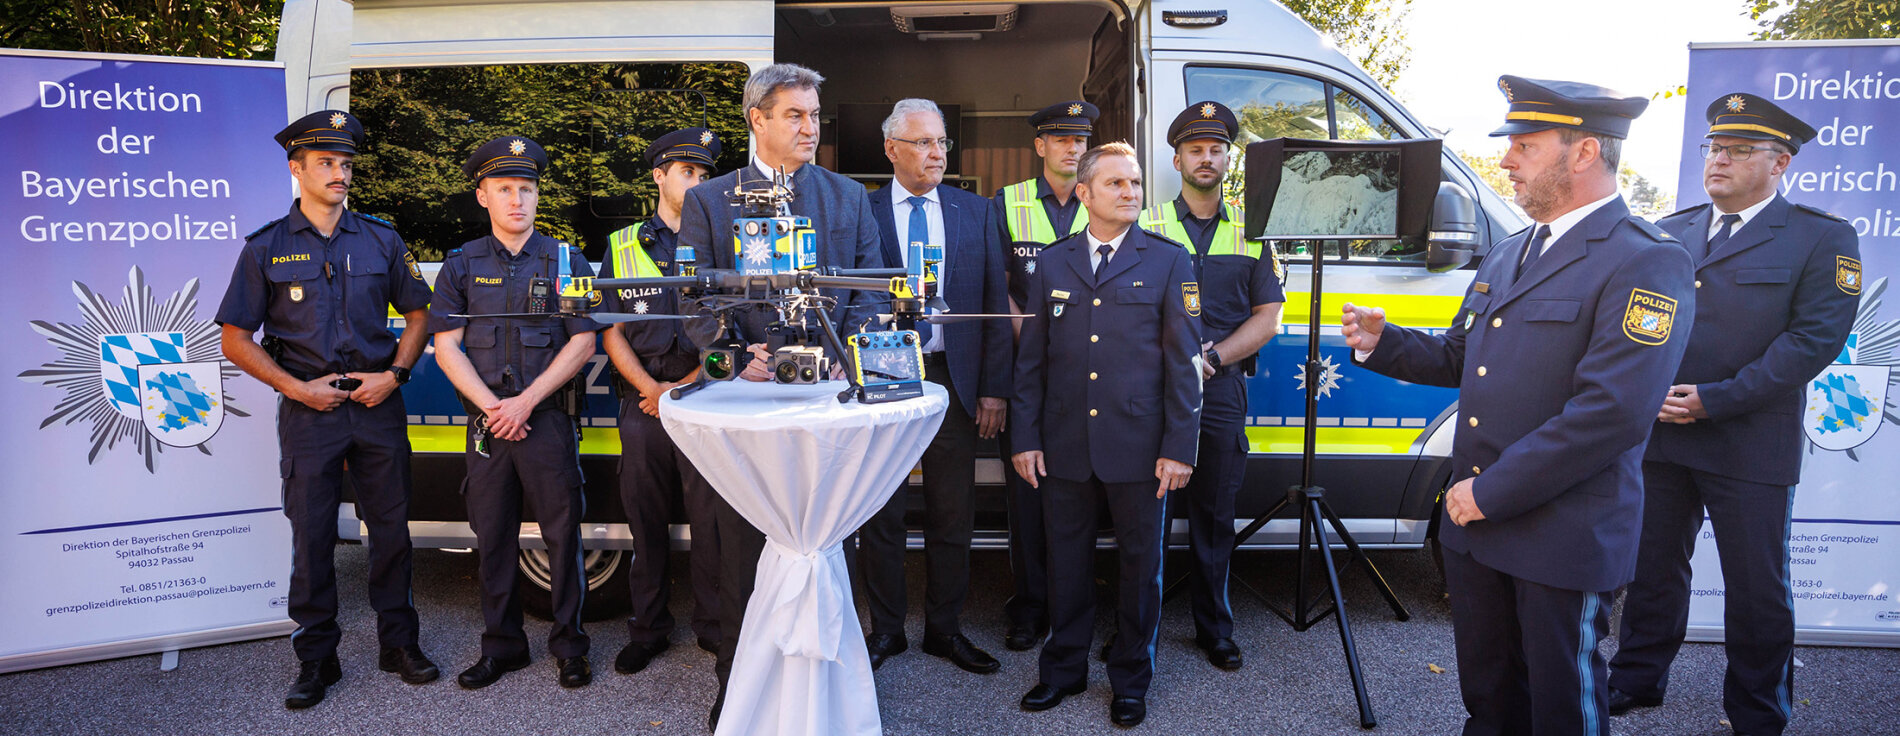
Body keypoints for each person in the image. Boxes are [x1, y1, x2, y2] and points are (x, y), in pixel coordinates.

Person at [1342, 76, 1695, 736]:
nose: (1505, 160)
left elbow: (1612, 411)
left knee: (1562, 708)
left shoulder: (1645, 262)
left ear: (1584, 152)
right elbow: (1460, 354)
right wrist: (1383, 341)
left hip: (1559, 531)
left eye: (1524, 146)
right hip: (1479, 528)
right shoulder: (1511, 252)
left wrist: (1490, 492)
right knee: (1492, 698)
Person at [1607, 93, 1860, 736]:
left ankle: (1757, 708)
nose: (1717, 160)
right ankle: (1636, 679)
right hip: (1662, 431)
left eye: (1738, 150)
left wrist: (1715, 400)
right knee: (1652, 568)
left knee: (1757, 585)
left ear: (1781, 163)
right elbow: (1643, 325)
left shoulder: (1821, 236)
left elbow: (1813, 342)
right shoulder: (1673, 229)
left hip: (1750, 437)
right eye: (1714, 148)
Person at [673, 62, 886, 730]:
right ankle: (737, 688)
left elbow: (871, 288)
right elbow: (692, 295)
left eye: (815, 116)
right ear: (755, 119)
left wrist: (838, 354)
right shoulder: (711, 202)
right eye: (794, 115)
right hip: (750, 406)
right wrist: (738, 359)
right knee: (741, 554)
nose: (809, 128)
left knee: (830, 548)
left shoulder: (848, 197)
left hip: (827, 403)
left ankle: (828, 691)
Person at [217, 109, 437, 709]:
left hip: (376, 407)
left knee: (390, 532)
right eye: (326, 163)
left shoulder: (382, 239)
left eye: (345, 163)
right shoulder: (266, 247)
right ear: (297, 170)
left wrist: (394, 376)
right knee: (312, 539)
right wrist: (296, 389)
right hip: (309, 412)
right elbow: (233, 338)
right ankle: (316, 660)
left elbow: (419, 315)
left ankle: (400, 645)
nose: (340, 173)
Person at [1012, 141, 1201, 728]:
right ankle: (1062, 671)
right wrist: (1025, 436)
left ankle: (1131, 680)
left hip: (1142, 449)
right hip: (1065, 443)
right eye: (1116, 184)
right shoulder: (1053, 261)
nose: (1130, 193)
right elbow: (1032, 363)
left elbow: (1185, 364)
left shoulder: (1169, 261)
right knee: (1064, 563)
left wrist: (1178, 447)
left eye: (1135, 184)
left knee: (1141, 570)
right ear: (1086, 193)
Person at [426, 135, 603, 691]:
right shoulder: (459, 264)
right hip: (488, 426)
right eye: (504, 189)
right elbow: (446, 346)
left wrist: (525, 403)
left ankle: (570, 647)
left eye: (526, 189)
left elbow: (582, 343)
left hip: (546, 420)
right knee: (494, 537)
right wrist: (493, 409)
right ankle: (502, 648)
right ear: (483, 196)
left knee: (562, 536)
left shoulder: (566, 259)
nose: (517, 200)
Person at [855, 99, 1011, 675]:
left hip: (953, 377)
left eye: (941, 142)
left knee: (954, 511)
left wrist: (994, 387)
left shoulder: (977, 211)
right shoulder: (861, 210)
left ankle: (945, 630)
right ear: (891, 149)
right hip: (886, 371)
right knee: (883, 511)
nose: (937, 153)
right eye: (922, 143)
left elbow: (995, 299)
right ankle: (887, 630)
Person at [1137, 100, 1285, 671]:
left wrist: (1213, 357)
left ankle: (1213, 629)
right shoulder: (1147, 224)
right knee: (1145, 517)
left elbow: (1268, 316)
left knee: (1214, 515)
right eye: (1195, 149)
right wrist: (1173, 360)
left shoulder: (1254, 231)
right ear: (1177, 159)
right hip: (1151, 389)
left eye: (1215, 149)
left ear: (1228, 158)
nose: (1206, 158)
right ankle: (1138, 634)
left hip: (1219, 390)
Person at [600, 127, 725, 676]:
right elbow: (609, 329)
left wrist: (686, 385)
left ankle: (715, 626)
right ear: (659, 176)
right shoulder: (622, 245)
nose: (698, 182)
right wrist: (651, 391)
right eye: (687, 172)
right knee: (644, 522)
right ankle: (648, 629)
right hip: (644, 403)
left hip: (702, 398)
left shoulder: (721, 242)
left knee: (710, 520)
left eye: (704, 174)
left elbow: (731, 325)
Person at [992, 99, 1097, 652]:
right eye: (1061, 139)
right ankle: (1031, 606)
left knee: (1085, 497)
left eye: (1080, 140)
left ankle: (1076, 605)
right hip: (1030, 377)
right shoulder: (1007, 203)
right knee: (1029, 501)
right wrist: (1036, 336)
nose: (1072, 149)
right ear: (1040, 147)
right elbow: (998, 285)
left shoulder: (1106, 198)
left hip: (1093, 380)